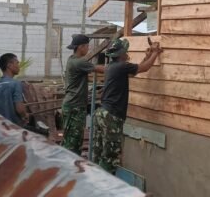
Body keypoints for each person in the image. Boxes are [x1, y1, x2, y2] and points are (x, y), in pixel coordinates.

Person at [93, 37, 161, 173]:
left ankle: (95, 180)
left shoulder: (112, 67)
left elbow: (135, 71)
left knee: (99, 153)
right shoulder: (122, 66)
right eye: (126, 51)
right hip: (112, 116)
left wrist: (147, 56)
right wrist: (155, 52)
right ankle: (106, 184)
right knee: (110, 157)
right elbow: (144, 68)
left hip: (102, 113)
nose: (127, 53)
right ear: (121, 54)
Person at [61, 34, 105, 155]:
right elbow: (100, 69)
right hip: (75, 106)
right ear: (81, 47)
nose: (88, 49)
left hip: (72, 104)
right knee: (73, 143)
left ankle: (65, 162)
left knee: (69, 139)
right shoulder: (79, 62)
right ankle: (70, 164)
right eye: (87, 46)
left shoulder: (72, 59)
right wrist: (119, 68)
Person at [0, 53, 28, 125]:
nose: (19, 66)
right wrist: (25, 115)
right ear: (9, 65)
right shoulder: (15, 83)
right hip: (11, 128)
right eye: (17, 63)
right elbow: (20, 109)